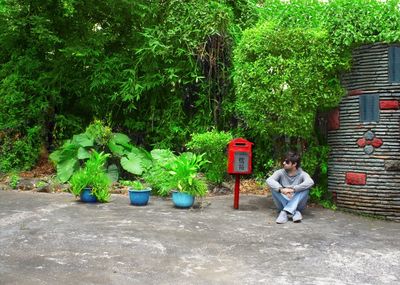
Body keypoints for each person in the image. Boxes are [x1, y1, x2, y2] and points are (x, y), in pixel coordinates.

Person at [266, 151, 314, 224]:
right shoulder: (280, 172)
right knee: (274, 188)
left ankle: (285, 211)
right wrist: (282, 190)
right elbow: (269, 180)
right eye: (284, 161)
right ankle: (294, 212)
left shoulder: (302, 174)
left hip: (298, 204)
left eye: (287, 162)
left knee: (305, 189)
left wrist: (293, 190)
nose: (284, 163)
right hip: (282, 203)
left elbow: (310, 182)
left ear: (294, 164)